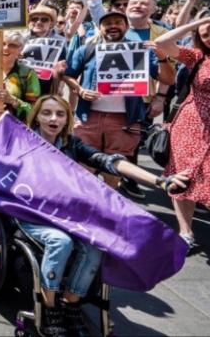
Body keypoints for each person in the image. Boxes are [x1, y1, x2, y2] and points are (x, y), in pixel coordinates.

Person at [21, 95, 188, 335]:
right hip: (31, 212)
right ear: (36, 116)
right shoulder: (23, 143)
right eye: (46, 113)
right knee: (61, 241)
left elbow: (111, 162)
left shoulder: (72, 144)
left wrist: (159, 181)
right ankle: (49, 309)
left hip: (65, 214)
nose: (53, 119)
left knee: (95, 244)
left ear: (68, 119)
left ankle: (71, 304)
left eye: (60, 114)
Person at [62, 11, 173, 190]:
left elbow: (167, 79)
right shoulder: (87, 50)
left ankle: (109, 203)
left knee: (114, 169)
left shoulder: (141, 50)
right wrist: (80, 90)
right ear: (99, 28)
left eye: (118, 22)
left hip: (124, 121)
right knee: (84, 167)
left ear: (126, 27)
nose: (113, 26)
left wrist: (162, 57)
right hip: (88, 118)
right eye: (107, 23)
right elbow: (68, 75)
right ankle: (86, 205)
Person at [153, 12, 210, 253]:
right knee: (182, 178)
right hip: (190, 127)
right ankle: (186, 232)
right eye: (206, 35)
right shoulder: (197, 57)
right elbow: (162, 43)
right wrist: (198, 24)